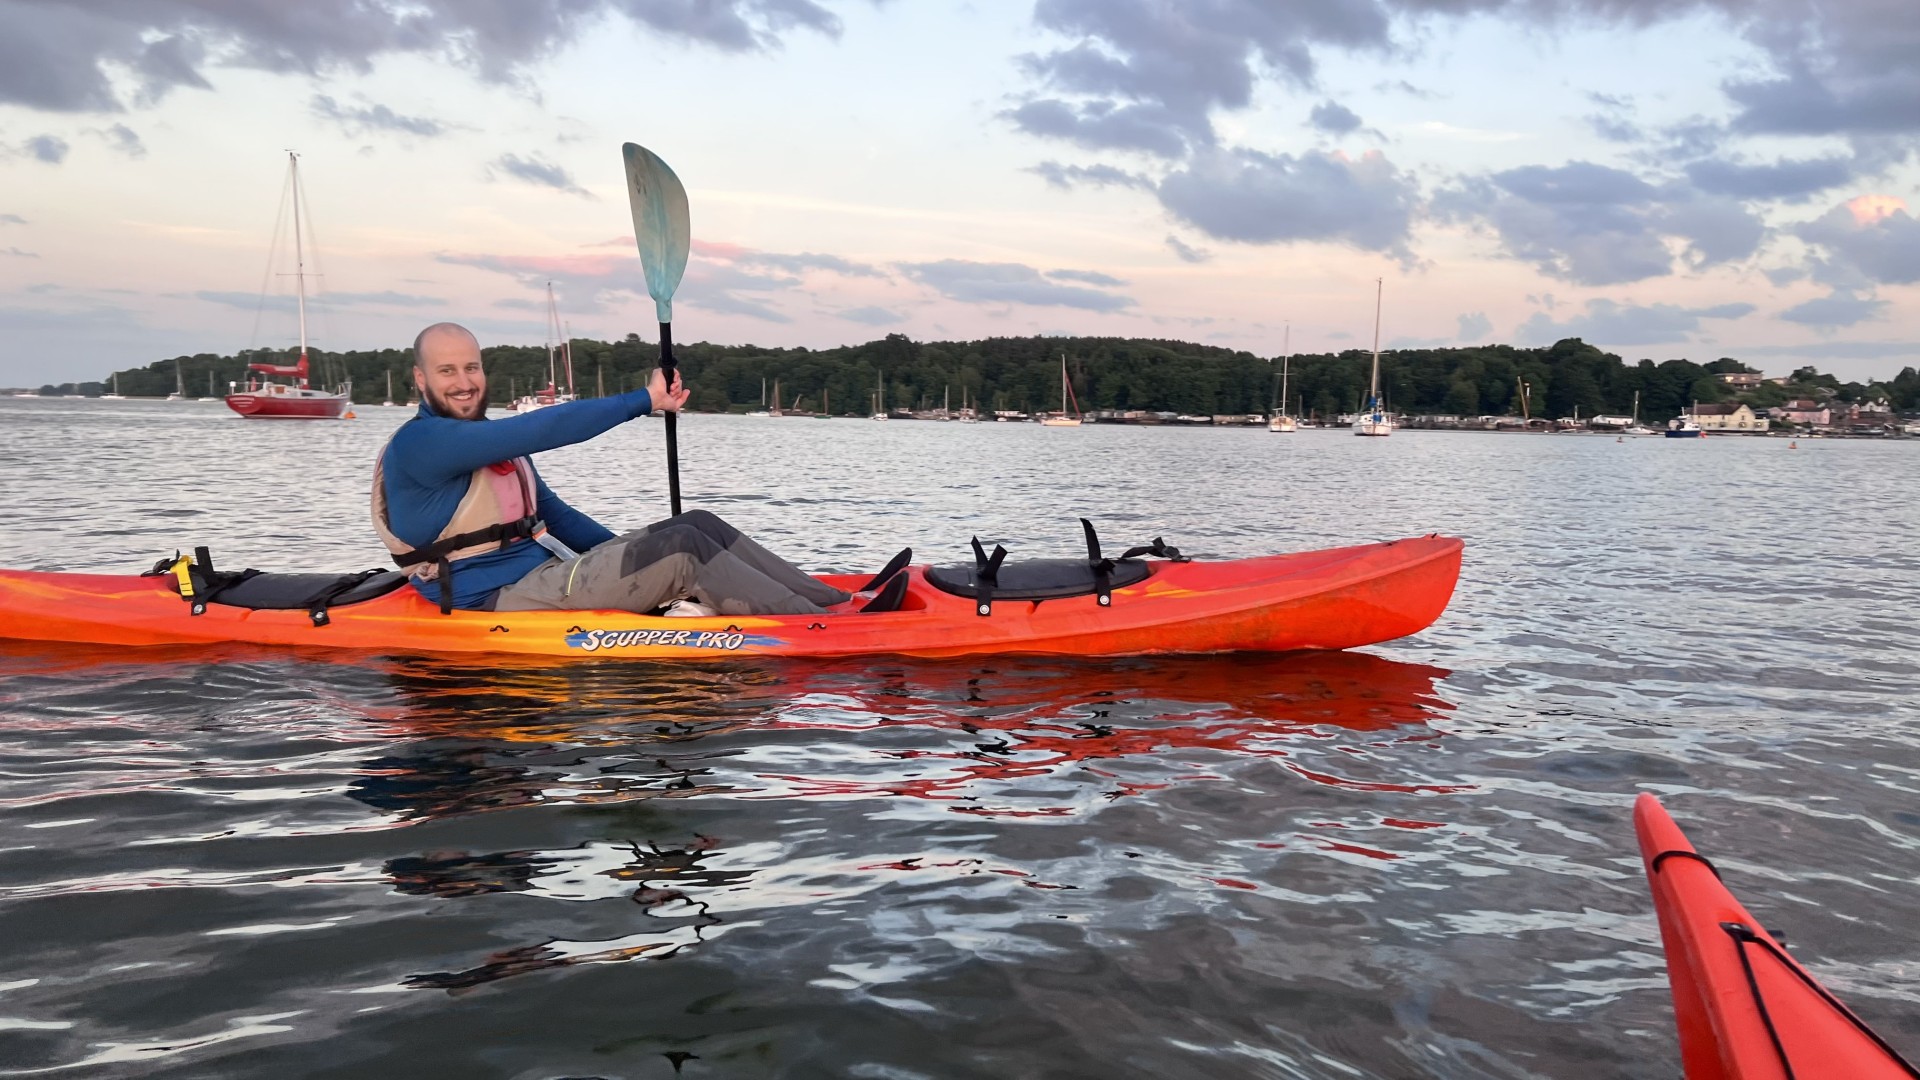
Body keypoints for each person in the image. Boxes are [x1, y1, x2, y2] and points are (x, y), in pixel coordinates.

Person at [372, 322, 864, 617]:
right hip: (489, 600)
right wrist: (644, 400)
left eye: (472, 368)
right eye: (447, 371)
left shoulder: (489, 446)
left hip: (541, 578)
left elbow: (559, 520)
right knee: (681, 550)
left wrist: (635, 557)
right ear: (420, 378)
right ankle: (821, 628)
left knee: (691, 526)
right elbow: (548, 427)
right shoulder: (422, 443)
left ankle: (835, 603)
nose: (464, 382)